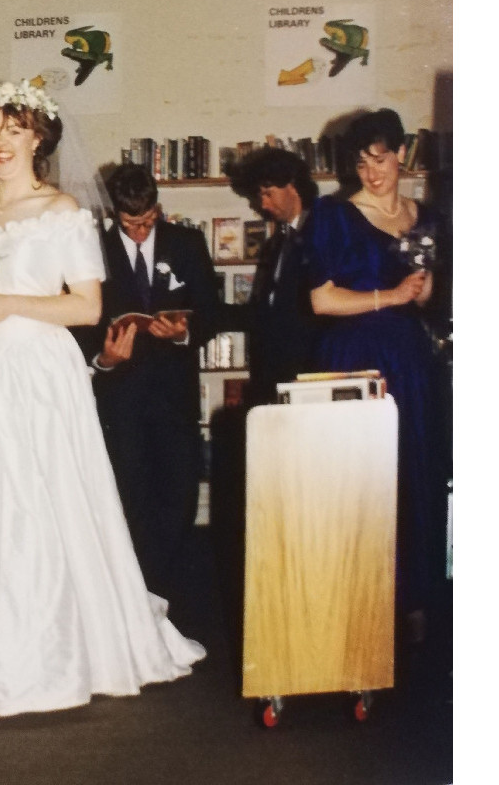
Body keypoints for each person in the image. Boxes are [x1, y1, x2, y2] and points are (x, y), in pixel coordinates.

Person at [0, 83, 204, 719]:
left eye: (14, 129)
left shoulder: (63, 209)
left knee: (41, 503)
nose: (1, 142)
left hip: (37, 375)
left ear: (38, 139)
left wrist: (9, 304)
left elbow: (87, 306)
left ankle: (55, 651)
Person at [305, 108, 445, 635]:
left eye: (380, 159)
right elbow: (322, 300)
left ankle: (412, 594)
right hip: (354, 355)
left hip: (409, 357)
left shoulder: (424, 216)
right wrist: (389, 295)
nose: (372, 172)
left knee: (413, 468)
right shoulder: (333, 216)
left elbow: (428, 295)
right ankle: (357, 595)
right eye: (362, 163)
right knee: (359, 478)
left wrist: (420, 285)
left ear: (402, 155)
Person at [83, 163, 221, 609]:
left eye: (147, 222)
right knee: (130, 495)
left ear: (158, 209)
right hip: (119, 399)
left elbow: (212, 312)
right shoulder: (94, 252)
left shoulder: (187, 243)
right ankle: (135, 596)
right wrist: (104, 359)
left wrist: (181, 333)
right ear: (113, 216)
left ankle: (171, 593)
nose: (140, 234)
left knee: (179, 492)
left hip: (174, 395)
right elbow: (82, 328)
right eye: (129, 225)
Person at [226, 146, 321, 404]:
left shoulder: (321, 234)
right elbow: (263, 313)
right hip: (272, 375)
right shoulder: (275, 244)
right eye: (260, 195)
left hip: (310, 375)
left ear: (292, 184)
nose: (263, 204)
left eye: (269, 193)